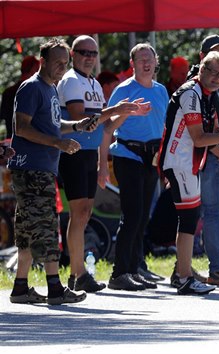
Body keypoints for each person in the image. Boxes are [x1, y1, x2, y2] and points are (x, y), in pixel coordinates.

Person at [57, 35, 150, 293]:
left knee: (86, 213)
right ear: (73, 54)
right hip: (72, 153)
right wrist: (116, 108)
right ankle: (77, 272)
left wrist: (125, 112)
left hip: (88, 154)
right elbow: (81, 119)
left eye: (93, 53)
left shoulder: (95, 84)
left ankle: (79, 272)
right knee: (78, 215)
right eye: (84, 52)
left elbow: (104, 127)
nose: (89, 57)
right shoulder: (71, 80)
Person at [8, 38, 97, 305]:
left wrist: (78, 126)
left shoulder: (50, 89)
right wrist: (58, 142)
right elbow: (21, 128)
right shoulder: (32, 88)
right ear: (42, 61)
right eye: (57, 62)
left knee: (25, 231)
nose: (62, 67)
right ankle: (55, 288)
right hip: (32, 169)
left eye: (65, 63)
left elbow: (53, 124)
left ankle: (20, 288)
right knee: (47, 227)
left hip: (40, 168)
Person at [158, 51, 219, 295]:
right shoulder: (191, 93)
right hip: (179, 161)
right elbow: (199, 138)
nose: (216, 78)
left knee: (190, 219)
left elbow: (209, 132)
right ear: (201, 68)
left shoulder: (206, 95)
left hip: (187, 163)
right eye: (211, 71)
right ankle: (183, 277)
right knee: (189, 219)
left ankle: (183, 272)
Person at [105, 43, 168, 291]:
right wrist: (128, 112)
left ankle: (135, 268)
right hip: (127, 154)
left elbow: (165, 126)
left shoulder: (162, 91)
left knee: (142, 217)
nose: (146, 63)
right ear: (132, 64)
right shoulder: (124, 89)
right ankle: (119, 273)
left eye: (149, 58)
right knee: (131, 215)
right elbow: (108, 127)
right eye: (140, 59)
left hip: (152, 157)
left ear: (156, 62)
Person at [1, 55, 39, 138]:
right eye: (38, 69)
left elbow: (3, 116)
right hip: (30, 141)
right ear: (34, 69)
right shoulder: (33, 91)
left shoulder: (8, 92)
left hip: (11, 140)